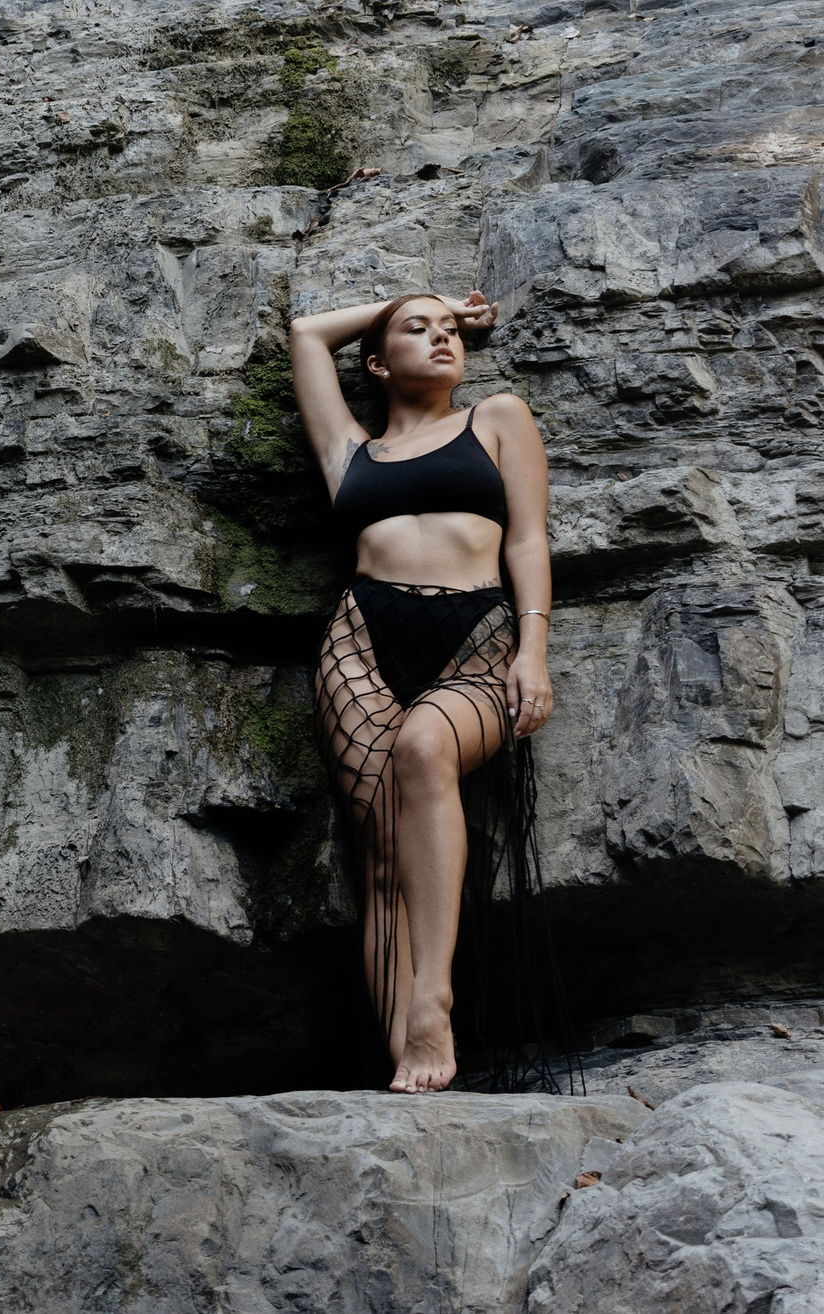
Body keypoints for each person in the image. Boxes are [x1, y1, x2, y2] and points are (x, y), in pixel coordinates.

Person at [288, 291, 555, 1093]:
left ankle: (431, 999)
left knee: (425, 746)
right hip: (362, 640)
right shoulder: (349, 450)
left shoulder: (498, 417)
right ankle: (411, 1054)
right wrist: (427, 291)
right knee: (379, 865)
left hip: (477, 635)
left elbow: (530, 537)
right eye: (419, 331)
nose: (442, 339)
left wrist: (533, 649)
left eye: (450, 331)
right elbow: (307, 332)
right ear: (374, 362)